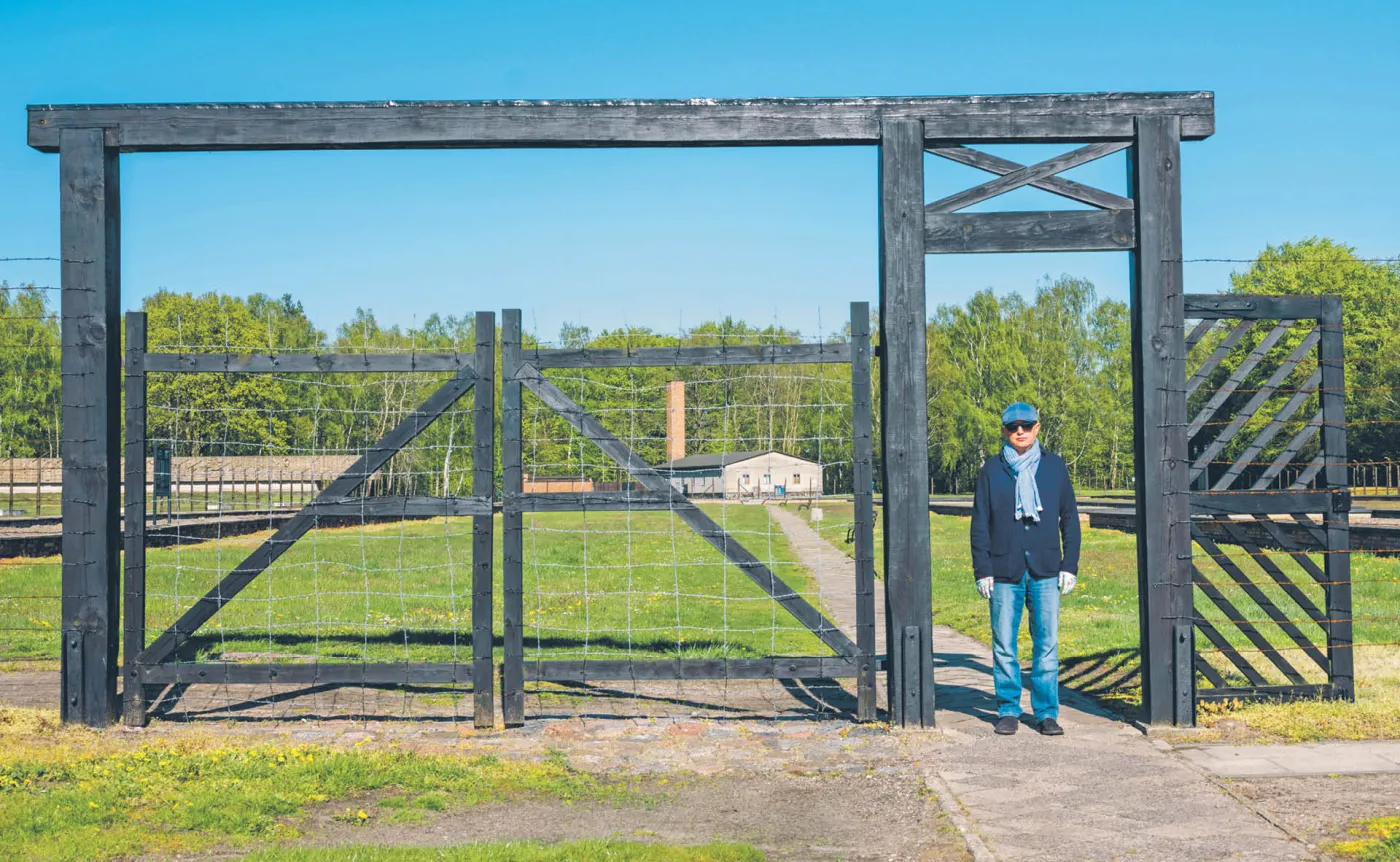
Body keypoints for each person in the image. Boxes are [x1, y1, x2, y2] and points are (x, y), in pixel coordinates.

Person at [969, 402, 1080, 736]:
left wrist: (1069, 564)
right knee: (1004, 644)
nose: (1020, 431)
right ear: (1005, 430)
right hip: (1004, 571)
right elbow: (980, 523)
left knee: (1046, 645)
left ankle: (1046, 712)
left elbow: (1070, 519)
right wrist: (982, 569)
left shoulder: (1055, 467)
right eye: (1013, 426)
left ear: (1037, 428)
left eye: (1026, 425)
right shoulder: (991, 470)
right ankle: (1008, 709)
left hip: (1046, 569)